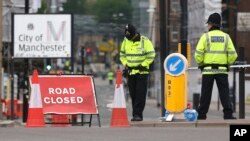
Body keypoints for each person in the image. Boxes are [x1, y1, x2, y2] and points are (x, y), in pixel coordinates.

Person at [194, 13, 238, 120]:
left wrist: (201, 64)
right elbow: (233, 55)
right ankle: (228, 114)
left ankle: (202, 114)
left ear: (211, 24)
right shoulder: (226, 37)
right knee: (224, 93)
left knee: (206, 93)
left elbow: (198, 55)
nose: (207, 26)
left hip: (208, 70)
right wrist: (227, 64)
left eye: (208, 24)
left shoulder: (205, 37)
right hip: (222, 70)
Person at [120, 24, 155, 121]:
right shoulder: (126, 41)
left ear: (135, 34)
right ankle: (135, 113)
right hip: (131, 72)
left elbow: (151, 55)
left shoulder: (145, 41)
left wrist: (144, 64)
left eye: (130, 37)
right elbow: (122, 54)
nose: (129, 39)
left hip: (142, 72)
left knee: (140, 94)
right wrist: (125, 63)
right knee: (133, 94)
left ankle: (137, 114)